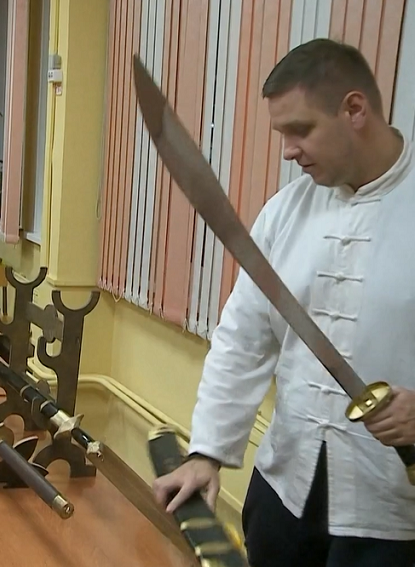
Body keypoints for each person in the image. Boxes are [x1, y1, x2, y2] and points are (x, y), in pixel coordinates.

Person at [151, 38, 415, 567]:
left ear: (354, 109)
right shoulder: (285, 211)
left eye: (301, 130)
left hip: (388, 513)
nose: (288, 150)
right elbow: (243, 339)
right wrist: (207, 452)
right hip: (284, 492)